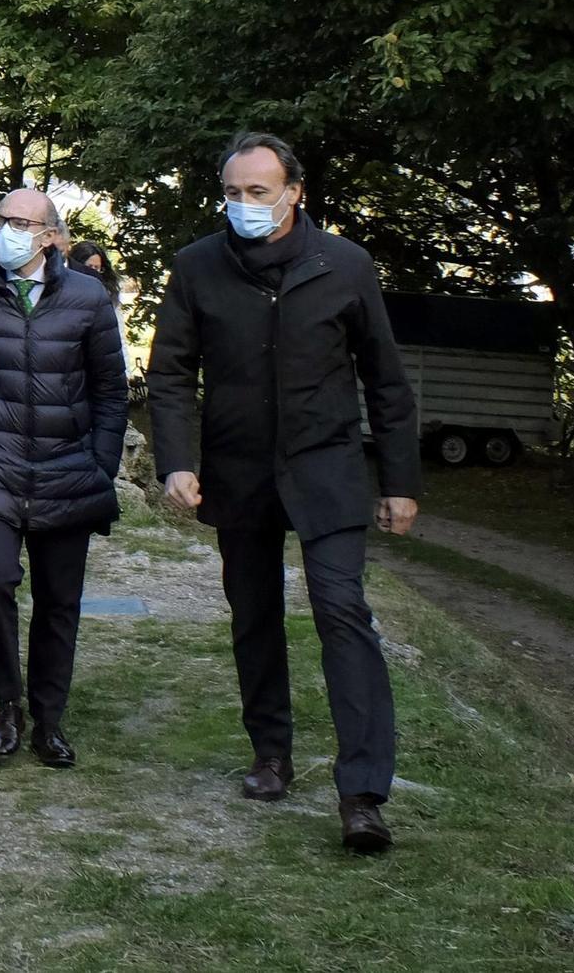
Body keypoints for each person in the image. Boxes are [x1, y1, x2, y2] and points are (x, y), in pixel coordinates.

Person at [147, 131, 420, 853]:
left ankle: (362, 792)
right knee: (255, 614)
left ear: (294, 192)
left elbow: (385, 380)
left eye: (258, 192)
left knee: (341, 611)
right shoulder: (197, 267)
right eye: (232, 194)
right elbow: (170, 372)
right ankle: (271, 753)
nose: (243, 205)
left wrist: (399, 482)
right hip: (238, 470)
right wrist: (176, 461)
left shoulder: (346, 266)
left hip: (326, 469)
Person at [0, 187, 127, 769]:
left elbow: (111, 392)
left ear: (50, 235)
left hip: (68, 468)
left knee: (59, 599)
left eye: (21, 222)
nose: (7, 230)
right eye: (1, 220)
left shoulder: (87, 298)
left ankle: (49, 717)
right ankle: (6, 701)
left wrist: (101, 464)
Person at [69, 240, 135, 380]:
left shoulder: (109, 295)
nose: (93, 272)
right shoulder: (64, 294)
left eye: (97, 268)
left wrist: (126, 374)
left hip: (100, 366)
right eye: (89, 267)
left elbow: (119, 336)